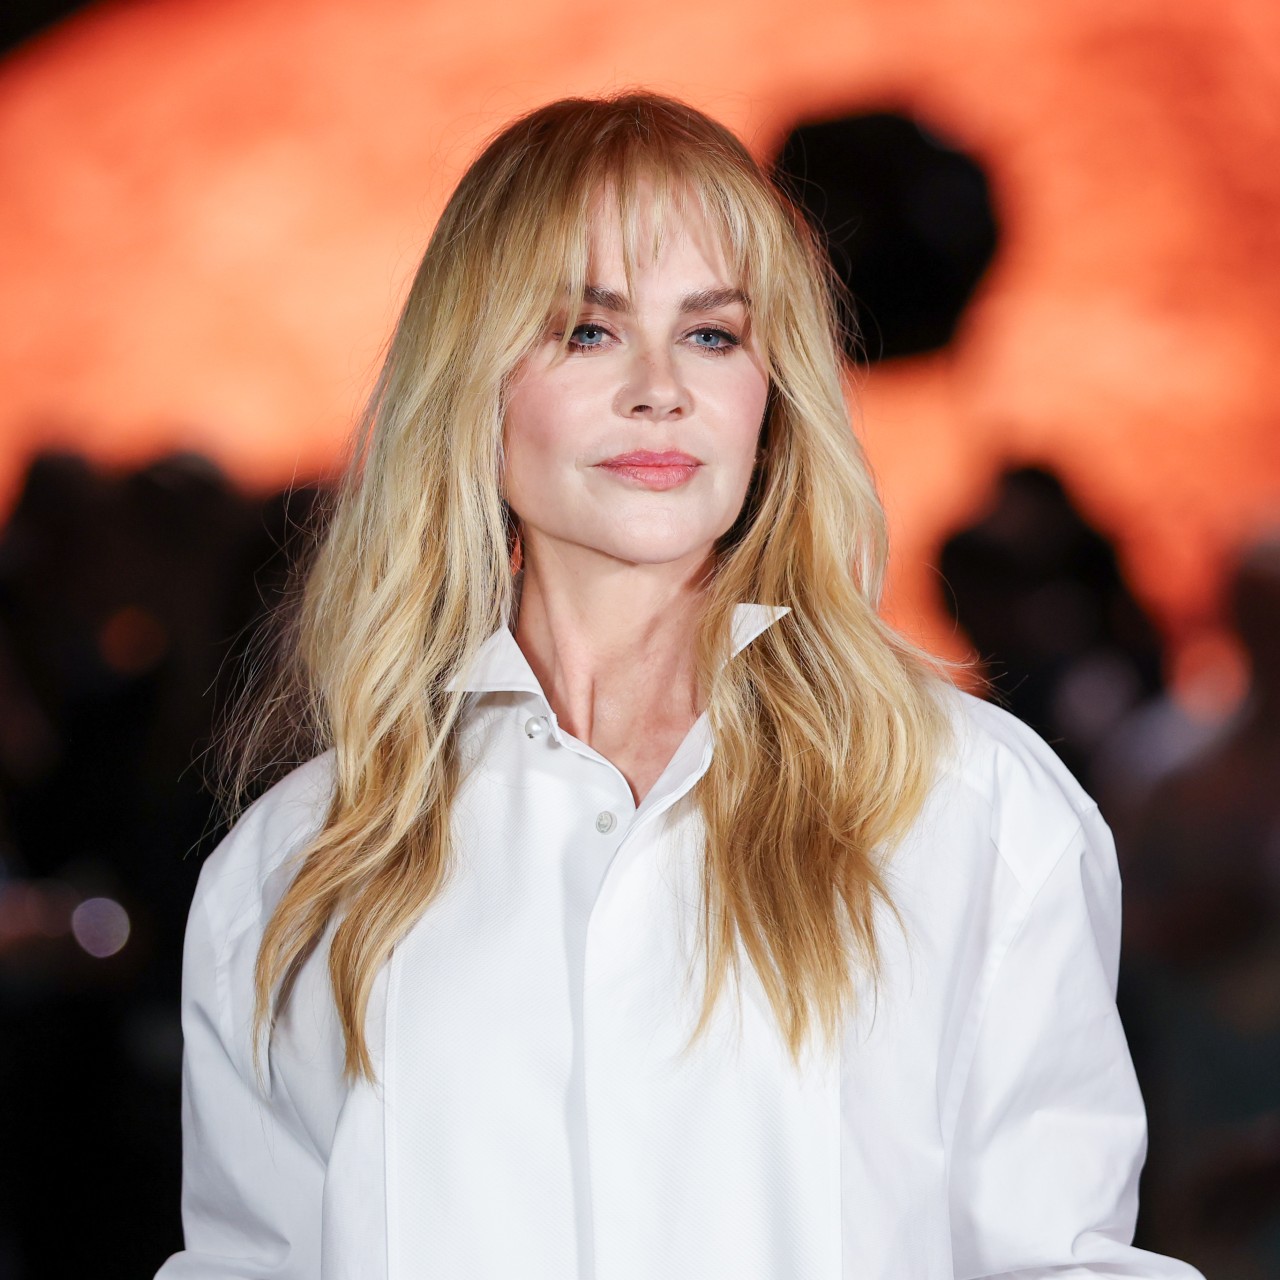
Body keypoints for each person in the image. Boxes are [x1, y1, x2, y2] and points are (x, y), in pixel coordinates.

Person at [155, 92, 1202, 1279]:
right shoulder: (300, 866)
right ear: (471, 381)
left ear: (772, 391)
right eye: (588, 331)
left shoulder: (970, 808)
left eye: (711, 334)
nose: (660, 388)